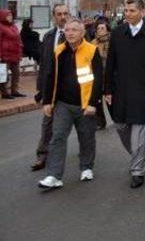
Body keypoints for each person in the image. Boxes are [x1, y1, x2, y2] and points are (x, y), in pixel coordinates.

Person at [105, 0, 145, 189]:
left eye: (131, 11)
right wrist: (107, 89)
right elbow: (110, 64)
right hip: (120, 89)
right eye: (126, 11)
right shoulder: (117, 33)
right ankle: (137, 153)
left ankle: (137, 170)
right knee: (121, 126)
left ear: (142, 12)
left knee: (139, 129)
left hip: (143, 91)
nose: (127, 14)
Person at [37, 18, 103, 190]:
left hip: (84, 103)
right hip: (63, 104)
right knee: (57, 137)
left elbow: (98, 79)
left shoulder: (91, 50)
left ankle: (87, 167)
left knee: (86, 136)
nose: (70, 33)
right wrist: (47, 101)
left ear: (82, 33)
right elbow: (50, 77)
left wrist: (93, 103)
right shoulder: (58, 51)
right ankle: (54, 175)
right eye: (67, 30)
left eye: (74, 30)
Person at [32, 4, 69, 171]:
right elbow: (44, 65)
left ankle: (86, 160)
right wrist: (41, 89)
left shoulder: (76, 36)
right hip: (51, 90)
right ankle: (43, 156)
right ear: (54, 16)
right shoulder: (48, 37)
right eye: (59, 14)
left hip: (71, 90)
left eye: (65, 13)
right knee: (47, 123)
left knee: (82, 127)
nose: (62, 17)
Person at [90, 19, 111, 129]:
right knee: (97, 100)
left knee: (110, 99)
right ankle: (100, 122)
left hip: (109, 75)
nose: (100, 30)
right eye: (98, 28)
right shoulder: (93, 43)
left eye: (102, 28)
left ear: (107, 29)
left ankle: (117, 118)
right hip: (97, 75)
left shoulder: (112, 41)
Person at [0, 9, 24, 99]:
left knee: (16, 74)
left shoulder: (14, 26)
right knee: (3, 75)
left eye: (11, 15)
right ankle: (4, 92)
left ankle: (14, 90)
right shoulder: (1, 27)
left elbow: (19, 39)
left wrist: (20, 50)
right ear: (3, 17)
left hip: (15, 55)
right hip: (5, 56)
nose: (10, 17)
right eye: (8, 16)